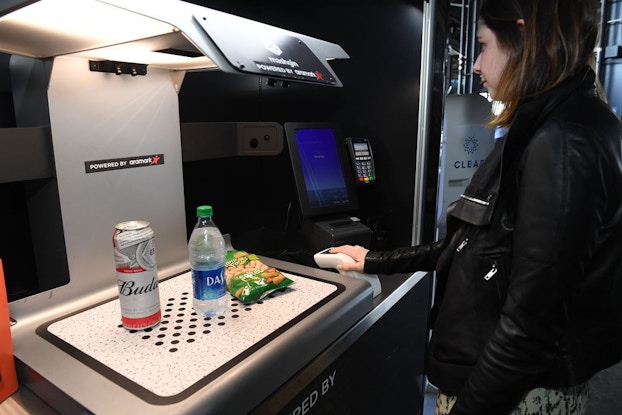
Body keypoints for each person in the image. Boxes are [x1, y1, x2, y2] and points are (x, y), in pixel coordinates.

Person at [331, 0, 622, 414]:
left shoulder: (561, 142)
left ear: (522, 38)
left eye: (483, 45)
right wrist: (373, 259)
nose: (475, 65)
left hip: (513, 395)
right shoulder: (546, 128)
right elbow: (472, 242)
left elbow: (530, 325)